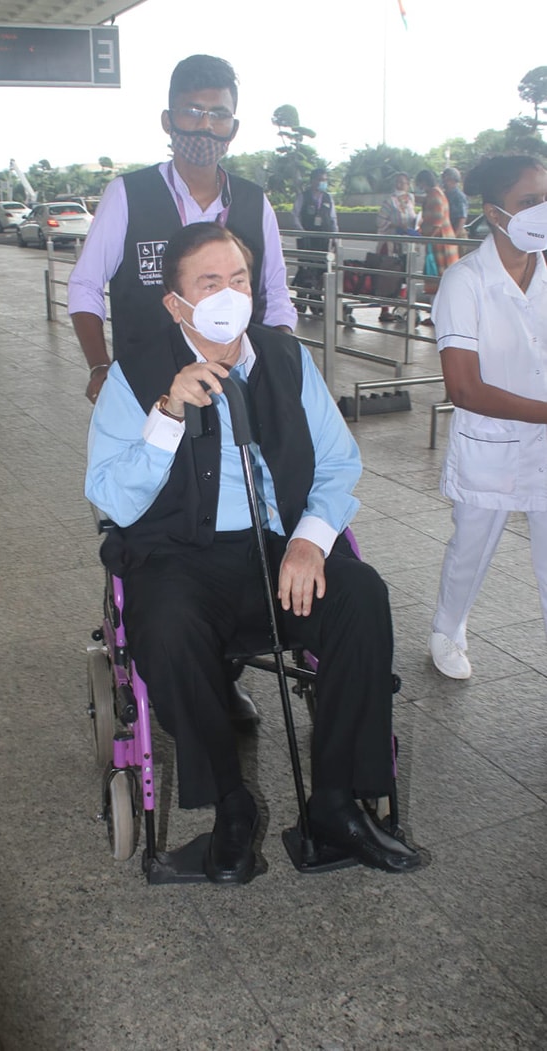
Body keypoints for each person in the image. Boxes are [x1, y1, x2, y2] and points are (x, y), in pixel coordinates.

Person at [86, 222, 421, 884]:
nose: (228, 294)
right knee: (169, 624)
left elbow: (337, 462)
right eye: (209, 283)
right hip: (179, 556)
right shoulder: (133, 376)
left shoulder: (288, 358)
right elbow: (113, 498)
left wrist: (309, 540)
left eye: (238, 279)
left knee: (361, 596)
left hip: (279, 553)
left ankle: (336, 804)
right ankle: (231, 812)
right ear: (175, 304)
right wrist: (167, 415)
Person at [68, 54, 296, 403]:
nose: (205, 126)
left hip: (236, 387)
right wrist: (99, 366)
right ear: (168, 120)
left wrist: (280, 361)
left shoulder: (253, 202)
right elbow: (86, 284)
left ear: (233, 127)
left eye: (219, 114)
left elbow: (275, 293)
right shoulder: (128, 194)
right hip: (145, 382)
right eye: (192, 111)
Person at [428, 155, 547, 680]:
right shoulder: (465, 281)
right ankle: (447, 629)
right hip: (492, 444)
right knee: (471, 549)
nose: (542, 210)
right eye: (529, 202)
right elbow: (464, 386)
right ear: (495, 213)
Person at [415, 169, 460, 325]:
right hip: (441, 242)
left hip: (440, 245)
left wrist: (425, 237)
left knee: (439, 279)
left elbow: (436, 221)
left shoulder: (434, 195)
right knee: (440, 279)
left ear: (423, 182)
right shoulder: (437, 193)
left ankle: (438, 316)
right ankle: (439, 314)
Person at [291, 168, 338, 315]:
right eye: (319, 179)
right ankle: (301, 297)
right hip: (306, 239)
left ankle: (316, 297)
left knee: (321, 269)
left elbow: (333, 219)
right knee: (305, 267)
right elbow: (295, 215)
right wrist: (302, 232)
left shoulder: (328, 198)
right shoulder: (303, 197)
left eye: (324, 180)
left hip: (323, 239)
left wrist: (335, 237)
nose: (321, 183)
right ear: (312, 181)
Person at [376, 171, 417, 322]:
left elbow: (413, 218)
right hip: (391, 243)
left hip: (407, 243)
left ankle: (401, 306)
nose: (401, 185)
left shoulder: (411, 199)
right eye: (398, 182)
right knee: (388, 275)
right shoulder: (389, 201)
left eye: (404, 182)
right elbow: (380, 221)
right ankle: (384, 309)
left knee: (406, 275)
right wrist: (395, 225)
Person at [441, 167, 469, 239]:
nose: (443, 181)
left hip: (456, 233)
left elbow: (462, 218)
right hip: (446, 232)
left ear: (453, 180)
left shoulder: (459, 196)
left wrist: (454, 237)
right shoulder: (444, 194)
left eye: (446, 178)